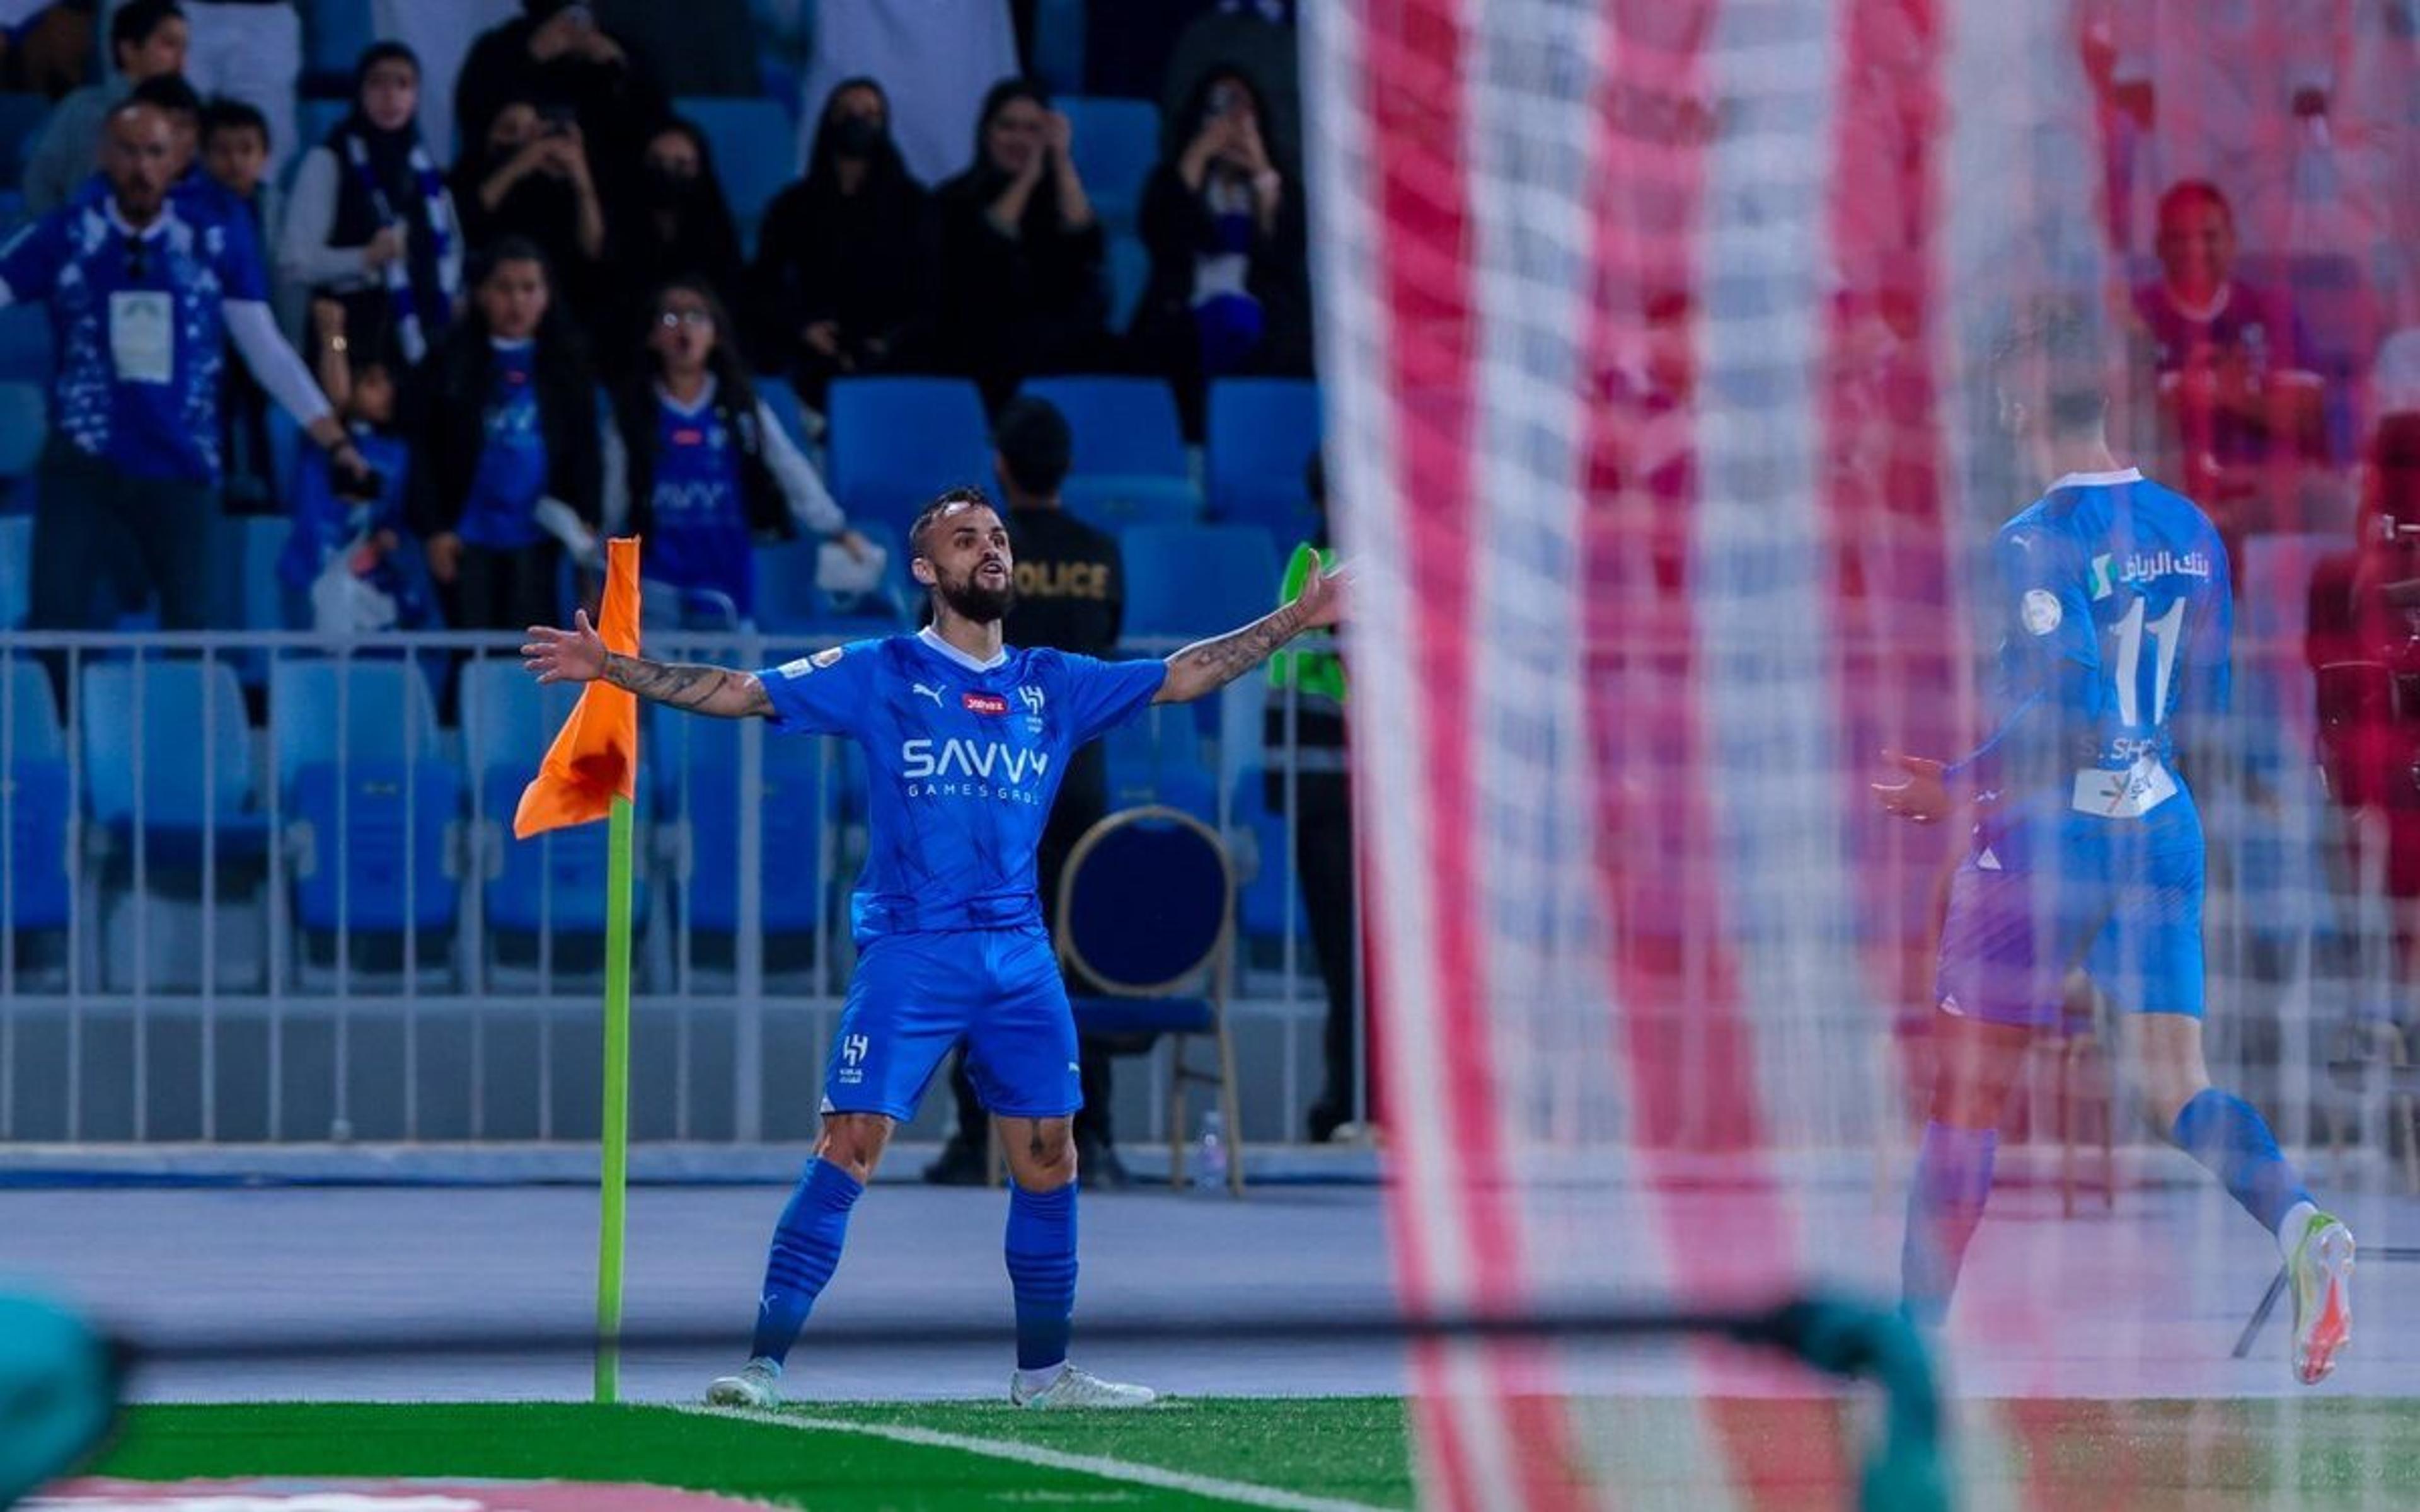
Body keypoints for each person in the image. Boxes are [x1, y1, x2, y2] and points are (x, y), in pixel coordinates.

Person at [521, 486, 1345, 1410]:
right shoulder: (882, 670)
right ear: (926, 569)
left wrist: (1297, 621)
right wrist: (614, 668)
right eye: (966, 540)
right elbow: (742, 693)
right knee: (850, 1143)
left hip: (1019, 955)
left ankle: (1045, 1376)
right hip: (914, 951)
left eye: (998, 537)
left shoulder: (1051, 681)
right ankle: (763, 1366)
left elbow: (1185, 673)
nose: (991, 550)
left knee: (1048, 1154)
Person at [1870, 306, 2354, 1383]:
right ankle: (2301, 1222)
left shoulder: (2035, 541)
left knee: (1971, 1096)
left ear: (2017, 406)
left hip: (2050, 841)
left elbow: (2072, 703)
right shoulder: (2191, 531)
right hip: (2159, 821)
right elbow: (2208, 710)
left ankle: (1910, 1352)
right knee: (2176, 1086)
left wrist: (1954, 787)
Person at [0, 94, 369, 632]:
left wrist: (333, 438)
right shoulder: (67, 233)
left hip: (182, 461)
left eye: (155, 152)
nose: (142, 167)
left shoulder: (214, 236)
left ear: (177, 159)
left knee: (195, 632)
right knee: (56, 622)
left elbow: (266, 348)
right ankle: (63, 716)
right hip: (83, 461)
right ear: (104, 154)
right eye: (128, 151)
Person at [924, 397, 1130, 1189]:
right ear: (1066, 466)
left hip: (989, 788)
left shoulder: (978, 554)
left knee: (984, 955)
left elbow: (941, 643)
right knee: (1081, 958)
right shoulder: (1102, 552)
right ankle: (1097, 1133)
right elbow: (1108, 643)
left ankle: (974, 1137)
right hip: (1078, 780)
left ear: (1002, 468)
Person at [602, 277, 870, 626]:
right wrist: (596, 564)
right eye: (670, 318)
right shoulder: (633, 411)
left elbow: (790, 468)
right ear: (652, 336)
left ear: (715, 333)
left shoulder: (741, 405)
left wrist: (835, 526)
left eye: (697, 317)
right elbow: (613, 495)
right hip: (656, 582)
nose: (684, 327)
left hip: (727, 574)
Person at [406, 237, 599, 631]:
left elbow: (585, 451)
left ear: (546, 296)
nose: (517, 301)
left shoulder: (567, 365)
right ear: (480, 294)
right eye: (504, 288)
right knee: (469, 660)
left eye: (529, 288)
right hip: (466, 539)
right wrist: (435, 530)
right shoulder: (447, 361)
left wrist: (586, 522)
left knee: (534, 661)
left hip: (541, 538)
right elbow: (423, 452)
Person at [2130, 180, 2327, 528]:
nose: (2195, 250)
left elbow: (2309, 414)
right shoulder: (2134, 316)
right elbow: (2112, 418)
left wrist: (2237, 399)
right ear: (2160, 247)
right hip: (2166, 487)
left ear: (2232, 241)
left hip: (2263, 486)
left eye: (2209, 236)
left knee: (2331, 499)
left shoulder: (2270, 310)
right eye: (2180, 238)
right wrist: (2179, 399)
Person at [1131, 64, 1310, 435]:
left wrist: (1261, 169)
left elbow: (1285, 254)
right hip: (1185, 313)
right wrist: (1198, 155)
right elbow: (1165, 238)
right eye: (1218, 110)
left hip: (1265, 318)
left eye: (1243, 112)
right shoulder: (1171, 180)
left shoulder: (1280, 185)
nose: (1230, 126)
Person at [1267, 452, 1360, 1143]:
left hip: (1368, 797)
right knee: (1344, 957)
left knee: (1371, 959)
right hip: (1331, 792)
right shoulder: (1316, 565)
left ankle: (1362, 1100)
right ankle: (1348, 1102)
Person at [750, 77, 936, 407]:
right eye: (846, 112)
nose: (857, 121)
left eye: (870, 114)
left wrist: (888, 341)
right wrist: (802, 328)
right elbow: (765, 283)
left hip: (894, 353)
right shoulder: (792, 207)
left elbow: (931, 288)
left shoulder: (914, 206)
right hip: (810, 349)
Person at [277, 42, 463, 370]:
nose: (390, 95)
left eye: (402, 84)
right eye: (378, 83)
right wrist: (364, 258)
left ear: (416, 97)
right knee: (339, 357)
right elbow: (294, 262)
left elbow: (453, 251)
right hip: (341, 334)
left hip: (419, 337)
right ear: (360, 93)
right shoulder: (328, 161)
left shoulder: (428, 175)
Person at [933, 77, 1110, 410]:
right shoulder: (952, 200)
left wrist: (1060, 160)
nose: (1020, 140)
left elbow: (1086, 242)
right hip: (976, 340)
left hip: (1054, 341)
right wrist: (1028, 177)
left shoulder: (1058, 197)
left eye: (1033, 130)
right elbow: (988, 246)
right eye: (1008, 127)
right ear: (987, 132)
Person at [278, 299, 433, 633]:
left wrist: (388, 538)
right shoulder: (320, 439)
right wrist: (333, 337)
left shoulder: (397, 452)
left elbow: (395, 515)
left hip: (372, 574)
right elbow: (336, 402)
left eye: (388, 383)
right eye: (373, 384)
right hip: (314, 568)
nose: (387, 393)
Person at [451, 0, 666, 225]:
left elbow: (653, 128)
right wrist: (531, 56)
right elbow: (475, 119)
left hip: (602, 205)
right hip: (510, 203)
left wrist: (619, 69)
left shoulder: (622, 52)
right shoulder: (498, 48)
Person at [450, 92, 609, 338]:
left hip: (562, 307)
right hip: (486, 305)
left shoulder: (567, 185)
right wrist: (522, 162)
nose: (526, 140)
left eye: (534, 131)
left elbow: (593, 248)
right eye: (511, 129)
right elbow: (469, 217)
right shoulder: (470, 174)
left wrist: (579, 174)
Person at [606, 119, 745, 382]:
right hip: (625, 356)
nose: (668, 172)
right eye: (658, 162)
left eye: (681, 164)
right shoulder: (621, 226)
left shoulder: (718, 234)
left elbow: (728, 300)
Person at [21, 0, 185, 215]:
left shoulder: (186, 115)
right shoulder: (82, 108)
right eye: (169, 45)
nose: (181, 60)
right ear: (130, 50)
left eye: (184, 47)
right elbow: (40, 182)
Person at [199, 95, 282, 517]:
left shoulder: (275, 208)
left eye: (246, 149)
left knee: (259, 408)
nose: (234, 162)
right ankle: (222, 485)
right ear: (203, 155)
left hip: (267, 332)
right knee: (221, 409)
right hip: (214, 336)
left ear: (265, 155)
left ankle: (267, 487)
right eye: (222, 150)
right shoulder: (195, 212)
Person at [170, 0, 299, 183]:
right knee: (175, 122)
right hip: (191, 13)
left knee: (265, 138)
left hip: (267, 17)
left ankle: (258, 205)